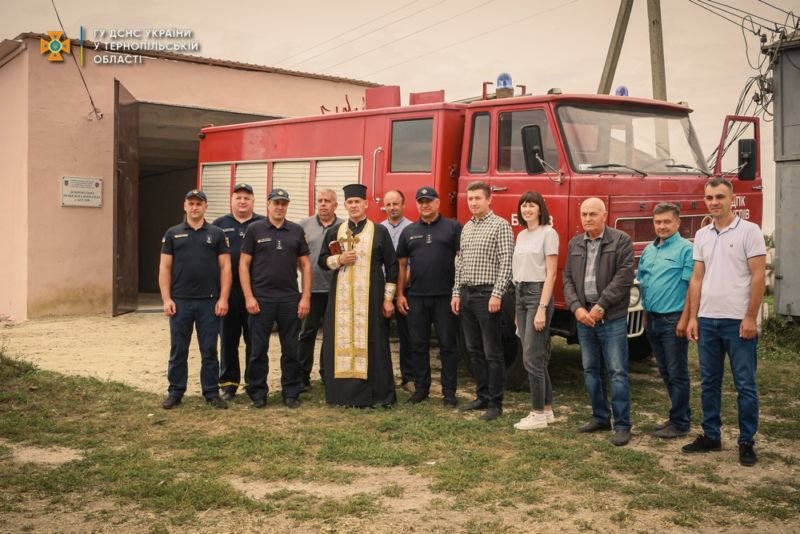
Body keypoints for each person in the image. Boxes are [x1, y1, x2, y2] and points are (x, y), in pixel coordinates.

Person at [684, 178, 766, 466]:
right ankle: (711, 435)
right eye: (709, 197)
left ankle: (746, 442)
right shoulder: (703, 235)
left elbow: (758, 276)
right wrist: (693, 317)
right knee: (709, 382)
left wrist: (750, 317)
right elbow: (696, 278)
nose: (714, 202)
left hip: (737, 322)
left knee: (745, 384)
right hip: (707, 320)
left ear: (732, 199)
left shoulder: (749, 231)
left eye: (720, 196)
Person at [318, 183, 398, 407]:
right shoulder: (336, 232)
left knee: (374, 342)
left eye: (357, 202)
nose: (354, 206)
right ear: (344, 205)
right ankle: (342, 396)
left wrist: (388, 298)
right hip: (341, 301)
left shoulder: (379, 231)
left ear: (366, 204)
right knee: (339, 342)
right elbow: (322, 261)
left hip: (371, 300)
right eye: (350, 202)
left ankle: (377, 395)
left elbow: (392, 267)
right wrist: (339, 260)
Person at [563, 197, 634, 446]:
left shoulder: (620, 240)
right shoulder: (574, 243)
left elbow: (624, 277)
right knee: (591, 370)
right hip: (584, 318)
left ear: (605, 214)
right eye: (584, 214)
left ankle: (623, 425)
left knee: (617, 372)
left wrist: (602, 305)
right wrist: (576, 309)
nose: (588, 219)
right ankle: (600, 416)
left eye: (593, 214)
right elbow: (568, 279)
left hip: (610, 317)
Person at [159, 189, 231, 410]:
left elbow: (226, 267)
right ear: (185, 206)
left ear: (205, 207)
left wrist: (223, 298)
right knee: (178, 349)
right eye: (191, 203)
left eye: (199, 204)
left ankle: (211, 392)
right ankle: (175, 391)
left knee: (209, 350)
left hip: (209, 302)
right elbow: (165, 267)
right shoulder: (173, 233)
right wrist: (166, 299)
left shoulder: (217, 234)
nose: (195, 207)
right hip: (180, 302)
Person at [239, 189, 311, 409]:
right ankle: (258, 394)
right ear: (268, 204)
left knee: (291, 349)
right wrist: (249, 296)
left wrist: (305, 297)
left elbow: (306, 265)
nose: (279, 207)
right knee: (258, 349)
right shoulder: (254, 229)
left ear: (287, 206)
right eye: (276, 203)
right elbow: (243, 264)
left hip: (290, 298)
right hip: (261, 299)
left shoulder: (296, 230)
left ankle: (291, 392)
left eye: (283, 203)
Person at [451, 181, 513, 421]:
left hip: (488, 296)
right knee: (473, 349)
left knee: (492, 352)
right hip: (467, 294)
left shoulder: (501, 226)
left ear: (489, 200)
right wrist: (456, 292)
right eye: (470, 199)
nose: (473, 202)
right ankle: (482, 395)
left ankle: (496, 403)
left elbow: (507, 262)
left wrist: (497, 294)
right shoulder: (466, 228)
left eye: (478, 198)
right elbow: (460, 264)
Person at [396, 186, 462, 407]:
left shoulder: (453, 228)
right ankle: (421, 389)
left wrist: (458, 292)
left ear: (438, 203)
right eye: (421, 201)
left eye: (429, 201)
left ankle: (449, 393)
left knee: (447, 346)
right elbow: (402, 266)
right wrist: (400, 294)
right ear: (417, 204)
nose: (425, 205)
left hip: (445, 297)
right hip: (416, 297)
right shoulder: (409, 231)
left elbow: (461, 260)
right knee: (418, 345)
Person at [637, 202, 693, 439]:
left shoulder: (686, 250)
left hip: (674, 320)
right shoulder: (649, 250)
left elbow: (692, 287)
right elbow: (643, 282)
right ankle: (677, 416)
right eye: (658, 222)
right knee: (664, 371)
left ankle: (680, 423)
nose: (662, 226)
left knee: (677, 371)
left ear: (677, 223)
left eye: (667, 222)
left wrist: (685, 319)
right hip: (653, 319)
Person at [213, 183, 265, 401]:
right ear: (232, 200)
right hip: (229, 291)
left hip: (256, 291)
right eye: (238, 197)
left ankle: (253, 384)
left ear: (253, 201)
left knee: (255, 340)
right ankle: (228, 384)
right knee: (228, 339)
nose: (242, 201)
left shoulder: (263, 223)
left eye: (247, 198)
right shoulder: (218, 225)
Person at [512, 192, 559, 431]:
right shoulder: (521, 235)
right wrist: (517, 310)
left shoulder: (548, 233)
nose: (527, 210)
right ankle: (548, 410)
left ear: (540, 209)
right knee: (533, 356)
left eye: (531, 205)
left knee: (531, 358)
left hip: (537, 294)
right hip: (520, 294)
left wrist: (541, 308)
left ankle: (537, 413)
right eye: (524, 206)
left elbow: (551, 273)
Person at [297, 188, 342, 392]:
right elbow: (297, 255)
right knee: (307, 333)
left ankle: (328, 374)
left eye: (327, 201)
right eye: (320, 200)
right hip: (311, 290)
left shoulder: (343, 227)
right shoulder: (303, 226)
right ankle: (302, 376)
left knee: (332, 335)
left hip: (336, 289)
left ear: (335, 205)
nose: (323, 204)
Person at [380, 190, 414, 392]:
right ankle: (383, 377)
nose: (392, 207)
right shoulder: (377, 229)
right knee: (380, 333)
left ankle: (408, 376)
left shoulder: (411, 229)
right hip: (381, 289)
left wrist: (399, 288)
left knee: (407, 333)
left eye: (396, 203)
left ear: (403, 204)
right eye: (388, 204)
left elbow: (412, 263)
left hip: (404, 289)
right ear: (384, 206)